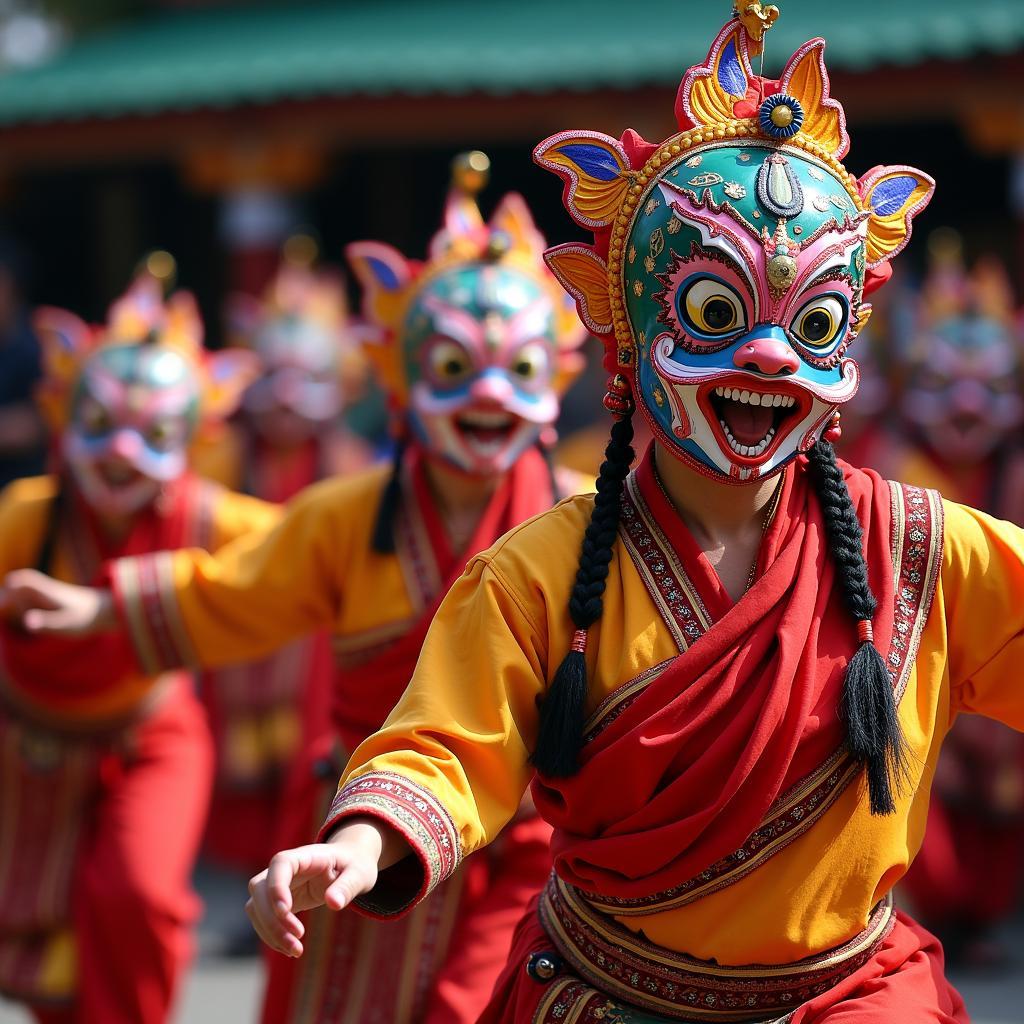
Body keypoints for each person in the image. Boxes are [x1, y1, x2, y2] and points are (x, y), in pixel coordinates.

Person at [226, 9, 1024, 1022]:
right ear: (626, 332)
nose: (771, 358)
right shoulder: (540, 569)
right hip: (609, 992)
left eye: (813, 321)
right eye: (713, 314)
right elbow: (446, 743)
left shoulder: (923, 549)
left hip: (850, 995)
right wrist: (356, 844)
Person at [1, 153, 589, 1024]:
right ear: (400, 373)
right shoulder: (348, 515)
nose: (491, 395)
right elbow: (247, 587)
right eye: (457, 367)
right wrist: (104, 604)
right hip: (358, 809)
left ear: (557, 379)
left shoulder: (587, 522)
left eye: (519, 371)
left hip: (523, 838)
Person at [0, 273, 276, 1023]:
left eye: (151, 434)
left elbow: (305, 555)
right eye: (100, 425)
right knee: (49, 933)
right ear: (62, 419)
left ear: (192, 437)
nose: (122, 454)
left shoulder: (210, 518)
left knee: (141, 894)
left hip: (150, 733)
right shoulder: (26, 519)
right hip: (25, 739)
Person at [197, 259, 369, 875]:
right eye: (275, 375)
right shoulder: (221, 460)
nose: (290, 396)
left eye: (310, 376)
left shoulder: (351, 464)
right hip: (242, 612)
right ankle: (239, 868)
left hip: (314, 631)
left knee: (307, 748)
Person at [889, 234, 1024, 966]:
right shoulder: (886, 472)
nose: (969, 406)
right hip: (919, 675)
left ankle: (985, 922)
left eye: (992, 390)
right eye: (947, 386)